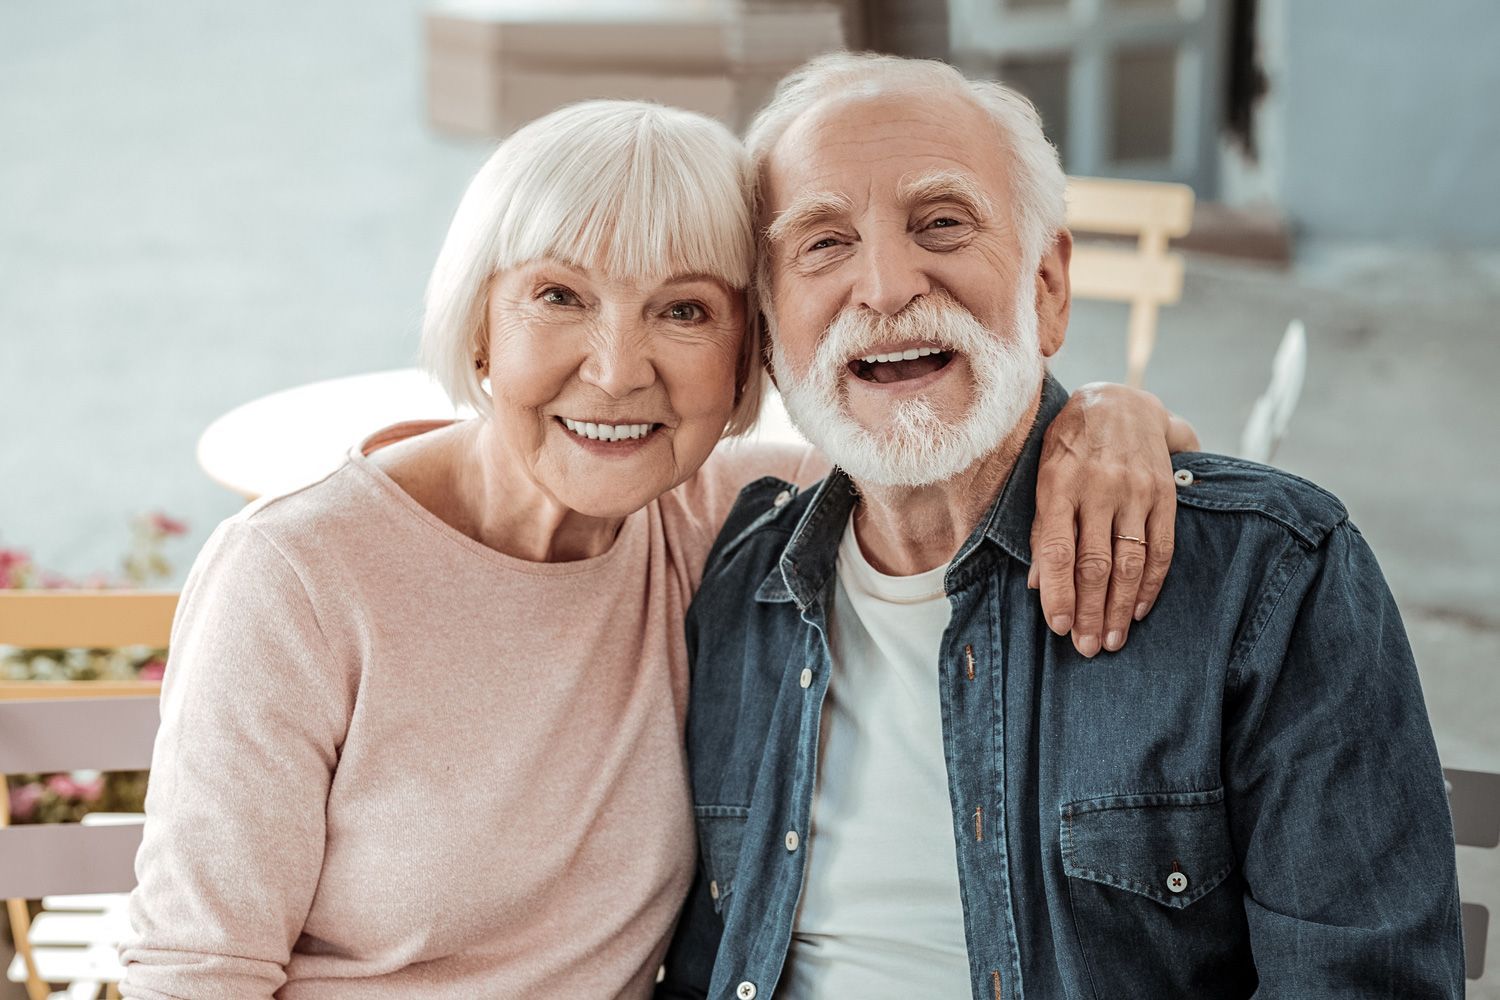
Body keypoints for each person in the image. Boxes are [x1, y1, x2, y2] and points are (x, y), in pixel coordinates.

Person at [119, 98, 1195, 998]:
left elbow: (951, 432)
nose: (617, 370)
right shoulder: (298, 578)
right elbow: (193, 969)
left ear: (748, 363)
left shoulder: (716, 519)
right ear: (480, 322)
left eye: (683, 309)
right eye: (558, 296)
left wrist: (1103, 415)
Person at [661, 53, 1465, 1000]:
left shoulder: (1266, 577)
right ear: (767, 332)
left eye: (942, 224)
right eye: (824, 244)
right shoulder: (731, 578)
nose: (884, 286)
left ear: (1046, 287)